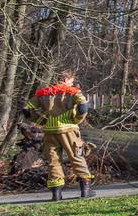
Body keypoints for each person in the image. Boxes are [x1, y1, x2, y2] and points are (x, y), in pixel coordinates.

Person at [24, 70, 94, 201]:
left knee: (53, 161)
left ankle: (56, 194)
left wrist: (42, 121)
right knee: (77, 156)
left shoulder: (44, 92)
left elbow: (26, 109)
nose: (72, 83)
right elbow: (83, 107)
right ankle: (85, 190)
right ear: (67, 79)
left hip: (50, 131)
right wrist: (77, 120)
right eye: (72, 81)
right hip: (69, 131)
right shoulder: (73, 92)